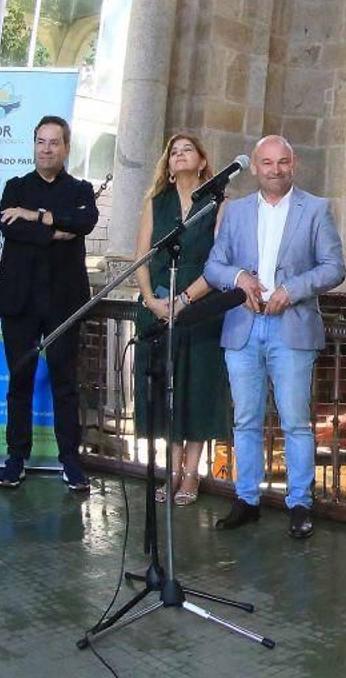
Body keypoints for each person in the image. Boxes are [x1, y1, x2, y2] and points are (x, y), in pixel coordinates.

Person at [204, 135, 345, 537]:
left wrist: (293, 289)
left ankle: (300, 504)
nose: (275, 169)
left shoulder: (316, 208)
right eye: (267, 163)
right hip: (243, 326)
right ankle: (246, 500)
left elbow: (334, 267)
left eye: (283, 162)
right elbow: (214, 265)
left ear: (293, 163)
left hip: (292, 326)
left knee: (296, 423)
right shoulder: (235, 212)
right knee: (246, 420)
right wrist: (238, 278)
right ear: (254, 168)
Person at [0, 115, 99, 493]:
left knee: (65, 383)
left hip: (63, 302)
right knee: (18, 381)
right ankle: (15, 458)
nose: (46, 148)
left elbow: (84, 223)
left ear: (66, 147)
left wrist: (35, 218)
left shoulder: (81, 189)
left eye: (54, 142)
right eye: (40, 141)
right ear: (33, 144)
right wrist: (56, 231)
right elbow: (9, 226)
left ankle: (70, 460)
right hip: (19, 300)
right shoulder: (15, 187)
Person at [132, 133, 227, 506]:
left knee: (197, 387)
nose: (180, 155)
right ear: (168, 166)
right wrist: (151, 300)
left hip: (200, 305)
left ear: (202, 161)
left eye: (188, 150)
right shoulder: (157, 202)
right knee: (167, 385)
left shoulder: (219, 203)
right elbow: (141, 256)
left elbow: (220, 261)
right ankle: (171, 469)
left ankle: (191, 472)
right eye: (174, 151)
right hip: (157, 300)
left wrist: (187, 299)